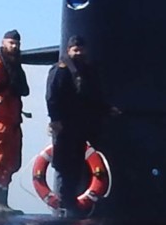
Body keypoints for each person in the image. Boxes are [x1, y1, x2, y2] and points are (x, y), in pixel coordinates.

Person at [44, 35, 118, 214]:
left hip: (81, 125)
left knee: (76, 163)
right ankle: (64, 202)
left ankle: (70, 203)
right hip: (65, 125)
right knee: (64, 164)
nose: (78, 53)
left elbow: (91, 97)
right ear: (68, 50)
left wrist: (107, 109)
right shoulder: (60, 70)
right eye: (75, 50)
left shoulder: (87, 71)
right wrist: (55, 120)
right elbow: (51, 96)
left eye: (81, 49)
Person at [0, 30, 32, 213]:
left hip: (12, 120)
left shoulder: (15, 65)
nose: (15, 46)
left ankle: (2, 202)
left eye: (17, 43)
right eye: (11, 43)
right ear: (3, 42)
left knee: (11, 162)